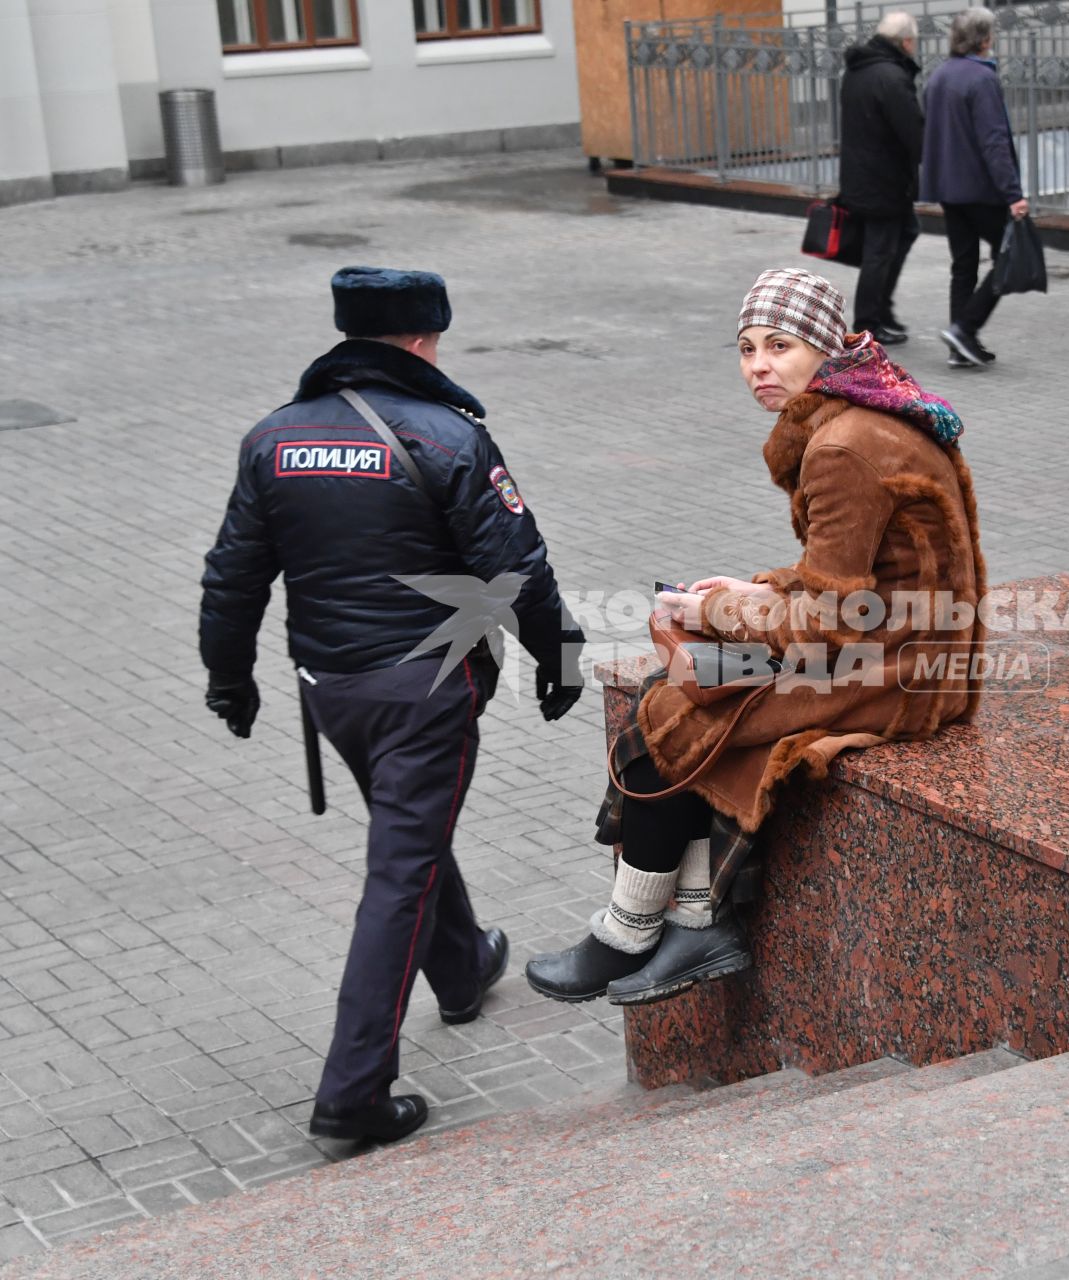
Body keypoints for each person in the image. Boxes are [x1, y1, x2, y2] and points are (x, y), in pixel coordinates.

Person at [523, 267, 985, 1007]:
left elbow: (832, 621)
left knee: (674, 714)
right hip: (914, 649)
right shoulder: (871, 407)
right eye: (745, 348)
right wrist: (756, 591)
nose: (758, 365)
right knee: (683, 694)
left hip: (897, 676)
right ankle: (693, 919)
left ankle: (632, 929)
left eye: (780, 344)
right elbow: (859, 576)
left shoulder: (841, 447)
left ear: (825, 347)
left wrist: (714, 615)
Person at [199, 266, 585, 1145]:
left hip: (330, 690)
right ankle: (353, 1094)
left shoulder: (274, 438)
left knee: (407, 833)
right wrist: (558, 659)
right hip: (427, 693)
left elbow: (233, 575)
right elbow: (514, 561)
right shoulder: (449, 436)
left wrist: (229, 675)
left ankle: (462, 968)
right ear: (421, 338)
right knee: (399, 871)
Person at [920, 7, 1029, 369]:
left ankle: (959, 345)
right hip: (980, 189)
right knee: (1007, 256)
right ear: (984, 40)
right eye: (991, 35)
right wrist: (1013, 193)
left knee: (963, 264)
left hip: (948, 188)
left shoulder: (939, 76)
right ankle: (965, 328)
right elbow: (994, 142)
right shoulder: (981, 80)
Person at [839, 11, 926, 345]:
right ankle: (868, 324)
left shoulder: (858, 71)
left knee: (904, 233)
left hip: (864, 176)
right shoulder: (891, 77)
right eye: (913, 42)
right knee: (879, 251)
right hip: (883, 181)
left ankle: (881, 312)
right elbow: (913, 132)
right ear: (905, 42)